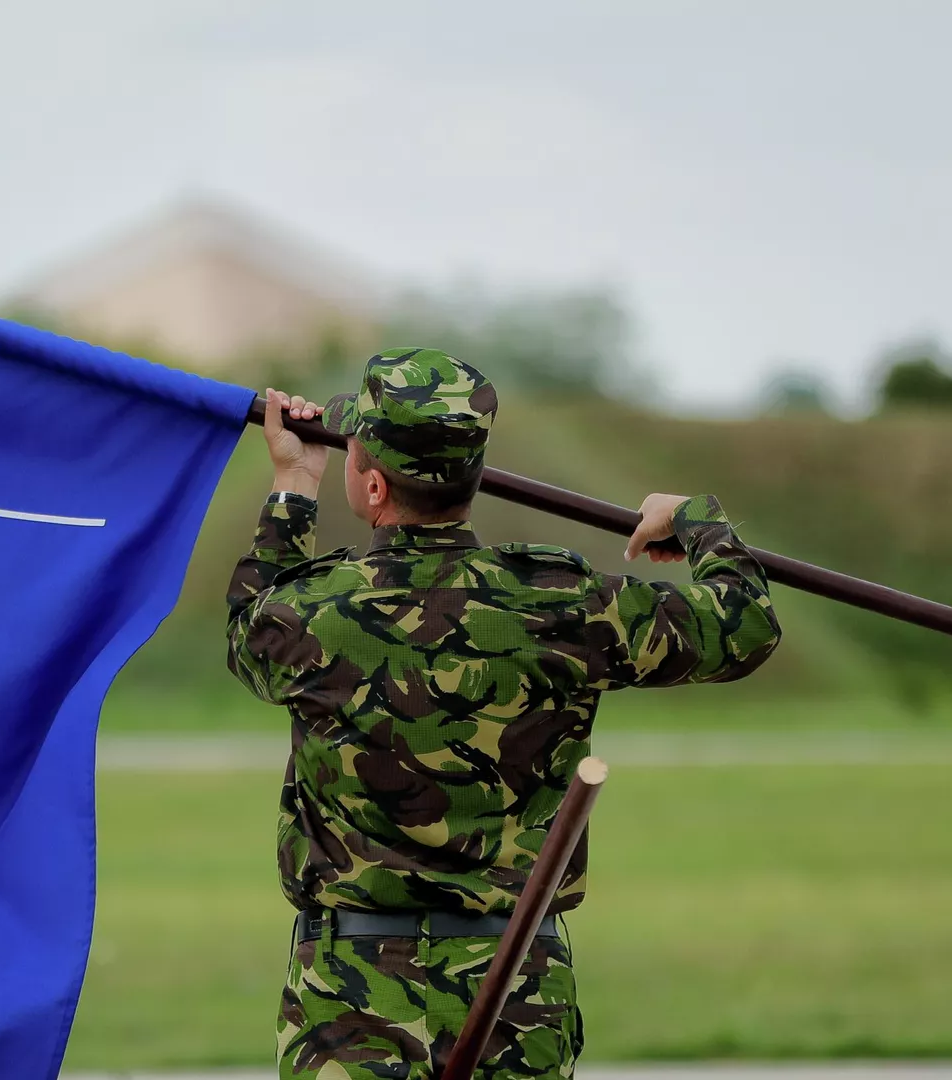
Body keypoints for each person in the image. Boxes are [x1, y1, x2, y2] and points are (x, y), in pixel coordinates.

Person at [225, 349, 782, 1080]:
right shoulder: (558, 601)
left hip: (350, 995)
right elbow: (742, 627)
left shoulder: (315, 611)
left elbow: (248, 635)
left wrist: (294, 487)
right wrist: (694, 519)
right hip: (516, 982)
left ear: (368, 481)